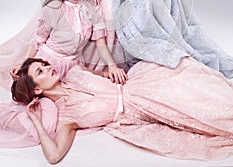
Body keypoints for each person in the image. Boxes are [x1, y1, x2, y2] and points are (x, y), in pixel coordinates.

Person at [6, 56, 233, 163]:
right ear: (36, 91)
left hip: (141, 85)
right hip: (137, 113)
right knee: (202, 116)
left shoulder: (74, 73)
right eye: (41, 72)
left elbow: (105, 74)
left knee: (199, 91)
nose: (48, 68)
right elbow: (54, 157)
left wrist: (111, 72)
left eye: (45, 65)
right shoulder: (67, 118)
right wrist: (36, 120)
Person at [10, 0, 127, 85]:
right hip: (47, 64)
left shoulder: (92, 9)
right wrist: (23, 65)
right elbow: (37, 41)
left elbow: (101, 44)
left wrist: (112, 66)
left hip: (73, 67)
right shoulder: (54, 8)